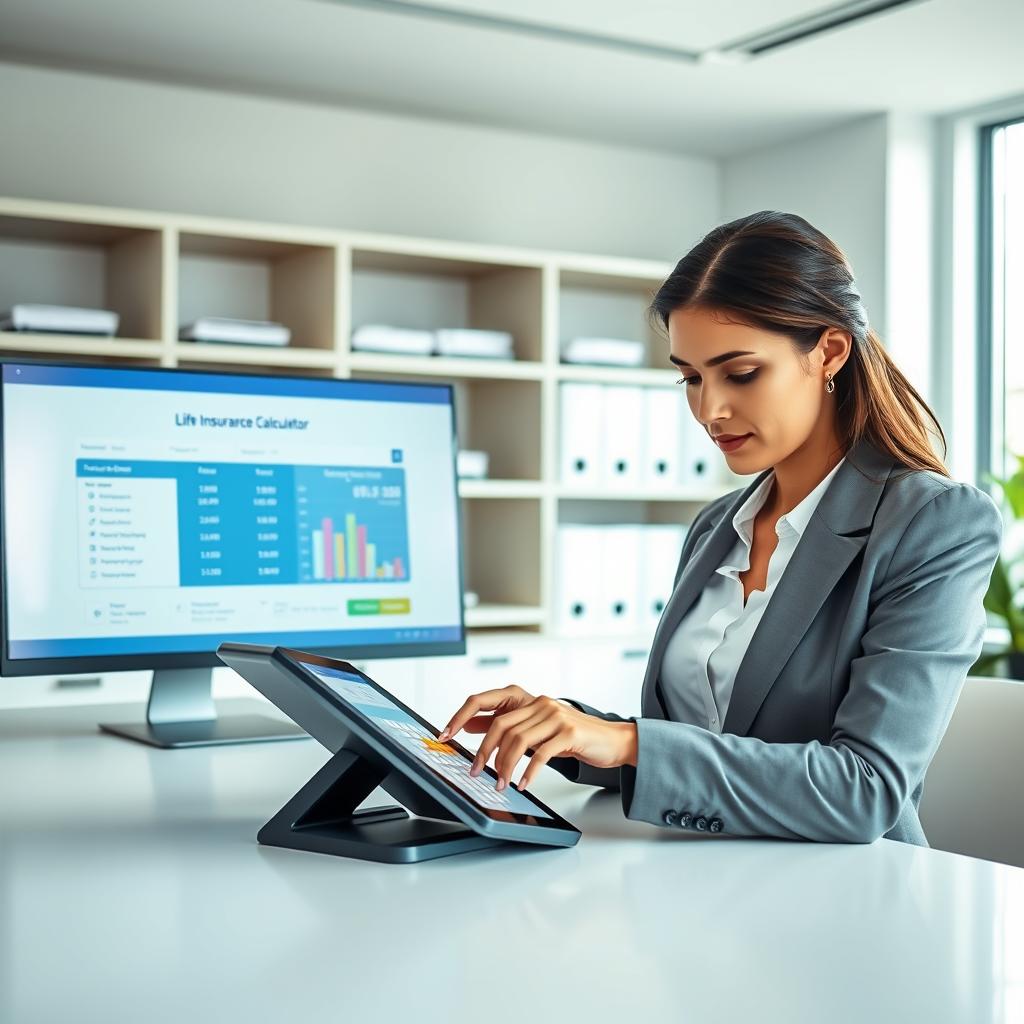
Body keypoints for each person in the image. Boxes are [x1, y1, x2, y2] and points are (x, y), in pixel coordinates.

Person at [437, 210, 1003, 846]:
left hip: (845, 902)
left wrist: (628, 743)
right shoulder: (716, 527)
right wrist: (571, 731)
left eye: (741, 373)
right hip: (693, 879)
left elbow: (864, 790)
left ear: (830, 352)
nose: (710, 409)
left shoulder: (935, 524)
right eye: (690, 377)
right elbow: (710, 744)